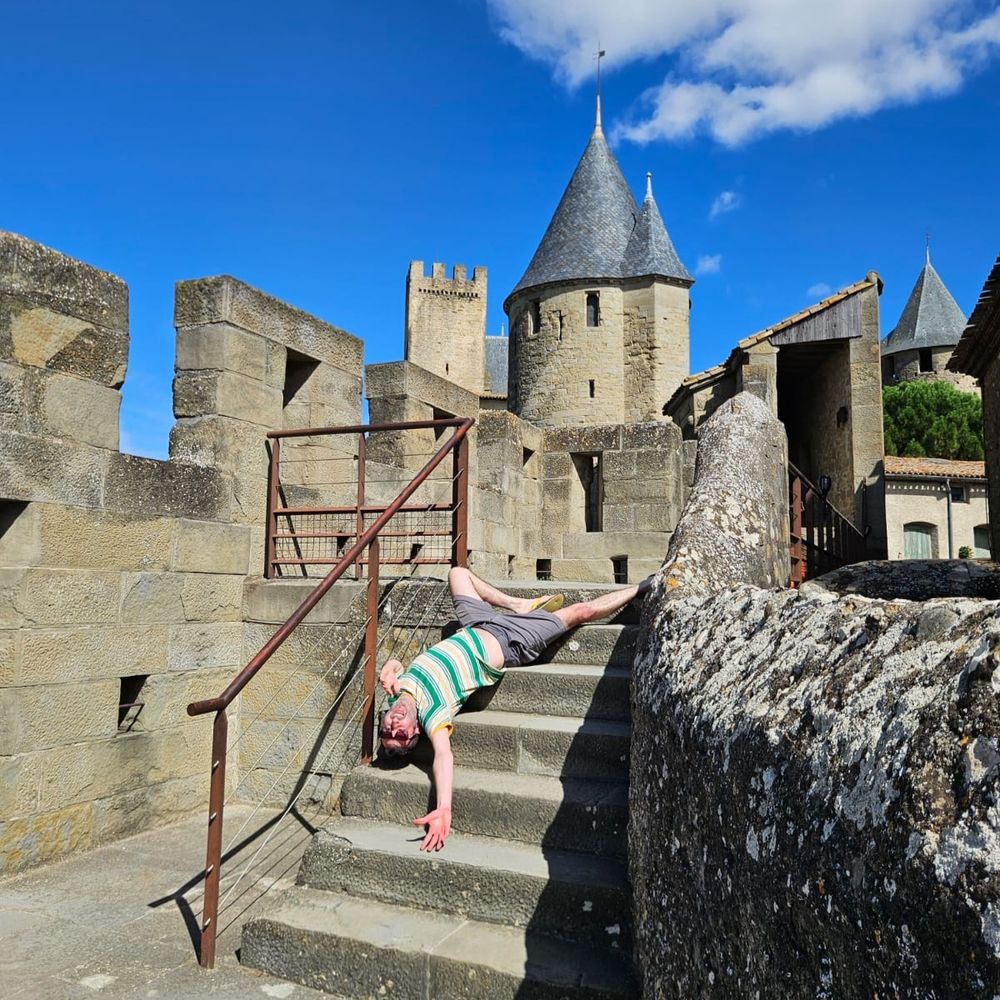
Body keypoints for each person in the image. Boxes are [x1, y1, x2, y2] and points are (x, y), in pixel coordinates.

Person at [378, 566, 652, 852]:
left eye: (387, 730)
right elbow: (443, 756)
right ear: (416, 731)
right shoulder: (432, 714)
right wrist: (443, 806)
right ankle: (642, 587)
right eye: (400, 735)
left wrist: (391, 666)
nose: (394, 727)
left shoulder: (397, 690)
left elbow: (398, 664)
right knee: (579, 612)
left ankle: (517, 604)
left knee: (458, 573)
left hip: (476, 624)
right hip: (511, 640)